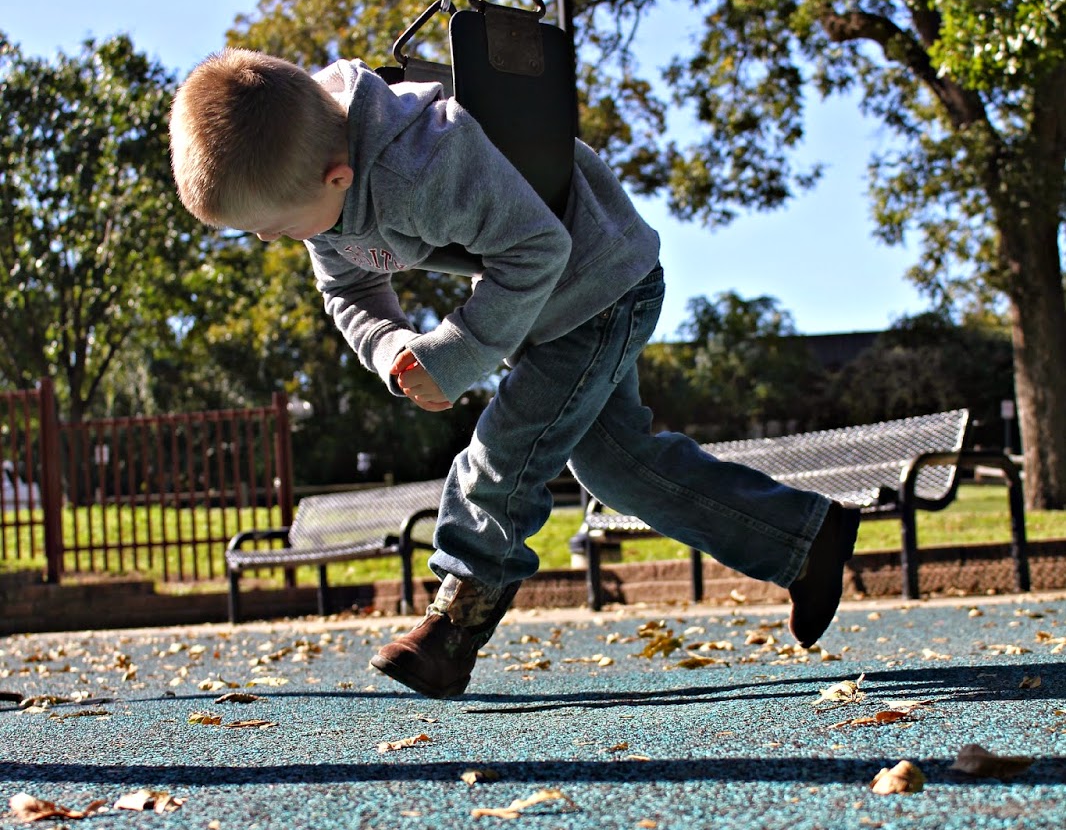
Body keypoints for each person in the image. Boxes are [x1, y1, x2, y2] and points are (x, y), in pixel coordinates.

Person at [170, 48, 859, 698]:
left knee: (504, 453)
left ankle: (454, 627)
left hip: (600, 284)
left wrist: (455, 355)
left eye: (275, 227)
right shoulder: (318, 177)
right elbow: (349, 291)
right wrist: (394, 349)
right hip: (551, 302)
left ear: (338, 179)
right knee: (619, 469)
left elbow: (538, 250)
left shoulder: (421, 168)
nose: (270, 239)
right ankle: (804, 540)